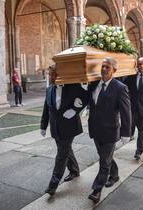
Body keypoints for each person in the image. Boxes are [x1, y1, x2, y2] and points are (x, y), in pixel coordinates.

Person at [87, 57, 131, 203]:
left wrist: (126, 133)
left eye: (107, 67)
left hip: (110, 131)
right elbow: (88, 100)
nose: (104, 69)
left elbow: (126, 112)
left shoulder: (120, 88)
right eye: (103, 66)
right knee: (105, 157)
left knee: (104, 162)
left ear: (114, 70)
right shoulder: (93, 84)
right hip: (95, 129)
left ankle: (97, 190)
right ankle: (115, 174)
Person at [40, 65, 88, 196]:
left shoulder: (72, 86)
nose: (51, 77)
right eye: (50, 75)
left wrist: (74, 110)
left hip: (69, 126)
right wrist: (43, 126)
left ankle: (53, 184)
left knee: (61, 154)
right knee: (66, 150)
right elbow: (46, 109)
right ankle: (74, 170)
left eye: (53, 75)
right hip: (55, 128)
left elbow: (85, 97)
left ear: (60, 76)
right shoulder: (49, 89)